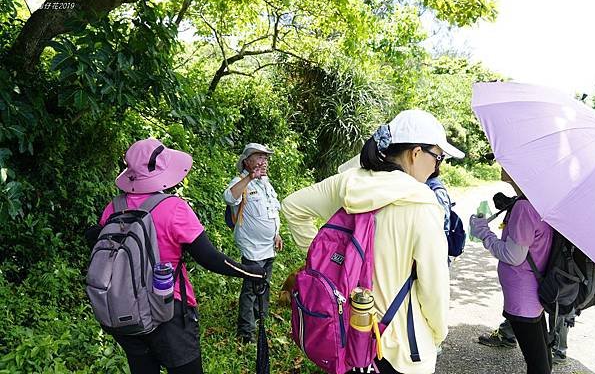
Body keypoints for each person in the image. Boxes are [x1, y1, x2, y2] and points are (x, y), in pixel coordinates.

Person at [282, 109, 465, 374]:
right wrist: (437, 334)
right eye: (438, 157)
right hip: (400, 349)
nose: (438, 167)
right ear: (415, 153)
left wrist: (327, 266)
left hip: (348, 332)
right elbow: (434, 288)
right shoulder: (423, 205)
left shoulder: (351, 182)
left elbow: (293, 207)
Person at [99, 138, 266, 374]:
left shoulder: (113, 207)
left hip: (125, 310)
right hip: (168, 312)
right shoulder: (173, 208)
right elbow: (209, 258)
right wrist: (251, 272)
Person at [470, 167, 553, 374]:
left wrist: (484, 234)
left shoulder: (525, 206)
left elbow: (514, 256)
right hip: (535, 293)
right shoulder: (538, 200)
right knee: (542, 356)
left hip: (523, 297)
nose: (500, 164)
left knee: (537, 364)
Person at [223, 142, 283, 344]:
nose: (264, 161)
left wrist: (277, 233)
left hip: (268, 246)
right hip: (252, 247)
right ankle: (245, 333)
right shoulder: (241, 181)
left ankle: (261, 318)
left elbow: (272, 210)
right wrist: (250, 177)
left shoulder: (266, 183)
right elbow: (229, 198)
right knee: (250, 289)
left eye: (265, 158)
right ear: (246, 162)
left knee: (264, 283)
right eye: (259, 157)